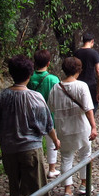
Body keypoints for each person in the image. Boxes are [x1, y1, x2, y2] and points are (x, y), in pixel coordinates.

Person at [0, 55, 59, 196]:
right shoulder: (35, 97)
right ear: (29, 74)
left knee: (15, 186)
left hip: (9, 149)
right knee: (30, 190)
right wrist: (55, 140)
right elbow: (47, 124)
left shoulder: (1, 96)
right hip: (30, 150)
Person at [48, 57, 97, 196]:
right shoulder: (82, 86)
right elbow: (88, 109)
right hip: (82, 127)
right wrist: (94, 127)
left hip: (63, 128)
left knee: (66, 158)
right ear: (78, 70)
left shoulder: (56, 88)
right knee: (85, 155)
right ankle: (84, 184)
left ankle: (67, 190)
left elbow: (51, 108)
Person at [27, 50, 61, 179]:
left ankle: (37, 167)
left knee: (36, 142)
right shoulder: (53, 79)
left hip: (33, 114)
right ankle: (52, 169)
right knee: (52, 141)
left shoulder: (30, 77)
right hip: (49, 114)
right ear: (48, 63)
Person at [74, 32, 99, 111]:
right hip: (91, 83)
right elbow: (98, 70)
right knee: (93, 103)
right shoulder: (93, 53)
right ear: (92, 41)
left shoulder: (77, 52)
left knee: (80, 103)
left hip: (78, 81)